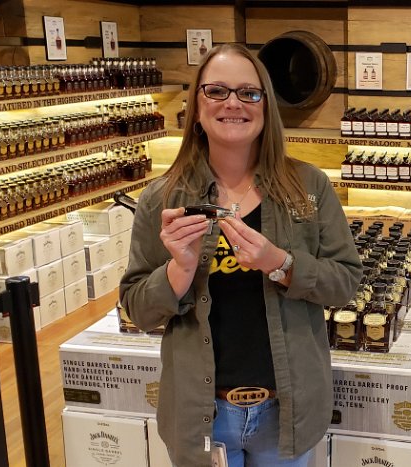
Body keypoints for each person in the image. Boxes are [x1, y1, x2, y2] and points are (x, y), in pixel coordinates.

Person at [120, 44, 363, 467]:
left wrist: (280, 263)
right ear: (196, 108)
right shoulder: (162, 198)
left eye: (249, 93)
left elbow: (345, 283)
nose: (233, 103)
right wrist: (180, 269)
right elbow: (138, 310)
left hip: (286, 412)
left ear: (266, 106)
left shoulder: (308, 186)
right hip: (201, 417)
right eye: (217, 91)